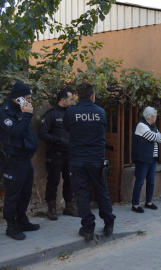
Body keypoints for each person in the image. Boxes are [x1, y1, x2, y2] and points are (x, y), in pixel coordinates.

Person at [63, 83, 116, 241]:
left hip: (77, 159)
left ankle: (88, 228)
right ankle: (109, 225)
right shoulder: (100, 112)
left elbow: (67, 129)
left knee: (81, 195)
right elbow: (102, 128)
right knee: (102, 192)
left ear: (78, 96)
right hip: (96, 159)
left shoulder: (71, 112)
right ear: (93, 96)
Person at [0, 81, 40, 240]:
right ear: (18, 98)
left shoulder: (21, 110)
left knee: (25, 193)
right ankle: (11, 225)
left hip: (25, 159)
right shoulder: (5, 113)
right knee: (13, 195)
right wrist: (27, 115)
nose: (29, 101)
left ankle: (22, 220)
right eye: (27, 98)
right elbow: (15, 132)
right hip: (13, 160)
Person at [39, 89, 78, 220]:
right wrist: (58, 140)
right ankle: (51, 209)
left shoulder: (71, 114)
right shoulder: (51, 114)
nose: (72, 101)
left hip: (70, 154)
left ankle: (69, 207)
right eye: (71, 99)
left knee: (70, 181)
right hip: (55, 154)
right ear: (63, 100)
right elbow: (42, 134)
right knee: (53, 182)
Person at [131, 106, 161, 213]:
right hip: (142, 158)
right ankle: (135, 204)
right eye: (155, 115)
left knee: (151, 181)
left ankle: (148, 202)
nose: (156, 117)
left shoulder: (153, 126)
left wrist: (156, 135)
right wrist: (156, 135)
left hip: (152, 158)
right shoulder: (141, 125)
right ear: (151, 116)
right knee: (139, 181)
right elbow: (153, 137)